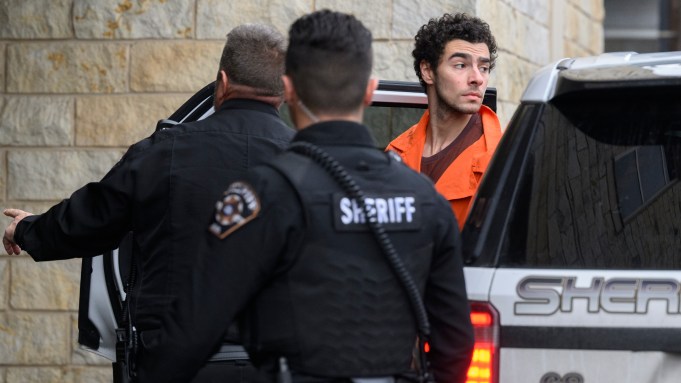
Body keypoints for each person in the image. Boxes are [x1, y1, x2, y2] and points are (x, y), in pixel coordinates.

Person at [136, 9, 475, 383]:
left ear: (289, 89)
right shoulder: (425, 199)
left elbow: (190, 333)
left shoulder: (262, 195)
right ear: (369, 90)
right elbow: (455, 345)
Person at [2, 23, 294, 383]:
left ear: (222, 82)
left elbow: (90, 220)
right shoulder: (311, 161)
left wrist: (28, 229)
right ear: (283, 91)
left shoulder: (165, 151)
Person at [386, 13, 502, 230]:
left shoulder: (503, 160)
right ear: (428, 71)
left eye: (484, 67)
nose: (477, 78)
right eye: (461, 65)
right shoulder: (395, 154)